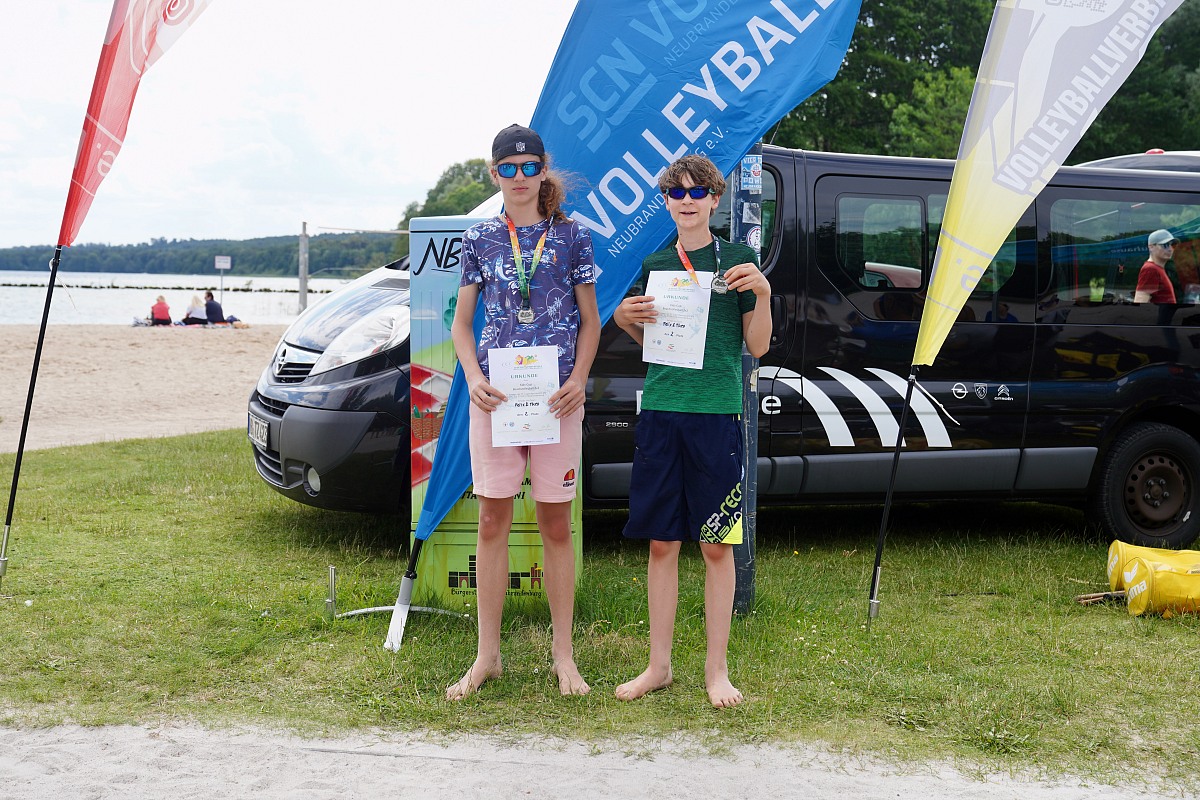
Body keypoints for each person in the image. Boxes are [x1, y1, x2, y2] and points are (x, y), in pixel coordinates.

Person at [611, 154, 772, 708]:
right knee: (662, 542)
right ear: (665, 201)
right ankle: (658, 666)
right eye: (675, 192)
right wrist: (624, 320)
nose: (686, 200)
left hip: (716, 415)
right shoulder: (656, 263)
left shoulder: (739, 260)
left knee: (715, 546)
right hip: (661, 412)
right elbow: (652, 340)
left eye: (696, 191)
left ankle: (716, 671)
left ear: (714, 199)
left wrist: (764, 294)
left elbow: (758, 345)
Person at [447, 123, 600, 700]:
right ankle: (487, 656)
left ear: (542, 170)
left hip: (557, 400)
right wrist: (474, 377)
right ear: (494, 174)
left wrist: (579, 380)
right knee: (492, 522)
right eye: (507, 169)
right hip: (498, 399)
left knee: (556, 523)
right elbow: (462, 325)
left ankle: (564, 655)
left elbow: (591, 322)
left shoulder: (573, 236)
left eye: (529, 166)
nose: (518, 177)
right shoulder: (481, 238)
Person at [1134, 229, 1179, 304]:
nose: (1170, 249)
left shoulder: (1157, 269)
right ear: (1151, 247)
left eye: (1172, 245)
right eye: (1165, 245)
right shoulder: (1150, 269)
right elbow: (1140, 304)